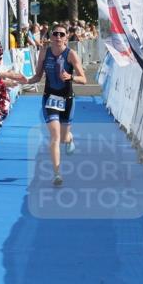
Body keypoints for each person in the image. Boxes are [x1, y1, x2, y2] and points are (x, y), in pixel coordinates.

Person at [24, 24, 86, 187]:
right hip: (49, 98)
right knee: (55, 136)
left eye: (61, 34)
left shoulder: (71, 54)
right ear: (50, 36)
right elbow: (37, 77)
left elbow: (84, 79)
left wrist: (70, 77)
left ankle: (70, 137)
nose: (58, 37)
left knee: (64, 138)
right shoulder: (44, 53)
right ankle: (57, 173)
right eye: (55, 34)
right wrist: (24, 81)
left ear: (66, 37)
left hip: (67, 99)